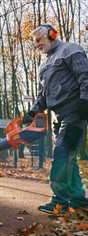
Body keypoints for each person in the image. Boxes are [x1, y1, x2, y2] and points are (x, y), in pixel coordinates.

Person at [23, 23, 88, 214]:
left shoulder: (71, 50)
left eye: (39, 40)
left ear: (52, 35)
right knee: (68, 157)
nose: (36, 45)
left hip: (76, 112)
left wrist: (85, 103)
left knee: (61, 153)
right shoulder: (44, 66)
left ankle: (60, 200)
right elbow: (43, 95)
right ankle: (77, 198)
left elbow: (85, 76)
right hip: (59, 118)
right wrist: (33, 112)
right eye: (34, 42)